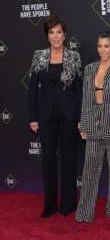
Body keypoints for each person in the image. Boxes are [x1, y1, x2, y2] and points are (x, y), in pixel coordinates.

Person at [28, 15, 82, 218]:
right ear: (47, 35)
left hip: (69, 116)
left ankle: (68, 205)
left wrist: (80, 117)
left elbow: (79, 90)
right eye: (52, 32)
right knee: (48, 160)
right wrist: (33, 117)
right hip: (46, 116)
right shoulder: (38, 56)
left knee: (69, 159)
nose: (56, 36)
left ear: (64, 34)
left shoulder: (74, 57)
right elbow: (32, 90)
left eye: (59, 31)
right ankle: (50, 206)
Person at [75, 32, 110, 222]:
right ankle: (85, 212)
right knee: (89, 172)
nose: (103, 49)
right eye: (100, 46)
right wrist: (84, 125)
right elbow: (86, 101)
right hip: (94, 126)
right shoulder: (89, 69)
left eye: (106, 46)